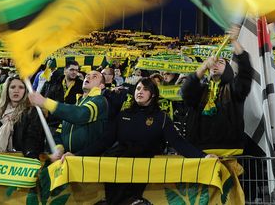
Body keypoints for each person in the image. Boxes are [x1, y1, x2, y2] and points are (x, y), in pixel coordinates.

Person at [77, 78, 213, 204]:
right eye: (137, 88)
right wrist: (77, 156)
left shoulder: (161, 118)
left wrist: (203, 156)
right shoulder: (123, 115)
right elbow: (104, 142)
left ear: (153, 94)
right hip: (117, 171)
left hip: (143, 176)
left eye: (145, 89)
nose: (140, 91)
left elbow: (178, 142)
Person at [181, 25, 252, 155]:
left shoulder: (234, 88)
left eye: (221, 62)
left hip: (230, 150)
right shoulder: (201, 90)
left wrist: (234, 41)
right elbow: (186, 91)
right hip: (201, 151)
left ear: (228, 69)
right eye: (213, 62)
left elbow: (246, 71)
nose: (215, 64)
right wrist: (203, 67)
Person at [29, 69, 108, 156]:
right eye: (87, 75)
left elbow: (80, 115)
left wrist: (45, 102)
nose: (88, 77)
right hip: (67, 158)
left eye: (94, 76)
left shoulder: (100, 101)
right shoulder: (77, 104)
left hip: (86, 161)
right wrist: (59, 148)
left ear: (101, 86)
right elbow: (59, 132)